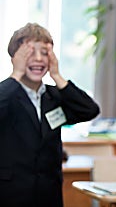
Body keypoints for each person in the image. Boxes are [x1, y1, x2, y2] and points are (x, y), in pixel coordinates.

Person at [0, 23, 100, 207]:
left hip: (49, 193)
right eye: (30, 52)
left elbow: (89, 109)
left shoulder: (55, 96)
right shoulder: (7, 94)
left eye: (45, 53)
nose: (38, 58)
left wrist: (57, 76)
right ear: (15, 57)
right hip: (11, 194)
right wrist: (16, 74)